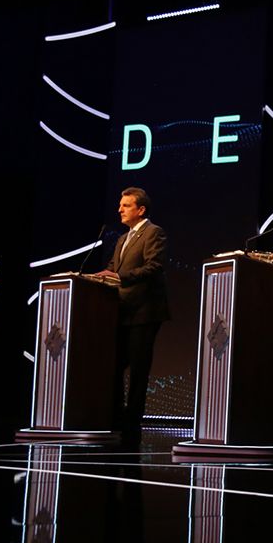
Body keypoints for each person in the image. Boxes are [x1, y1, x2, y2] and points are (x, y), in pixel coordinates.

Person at [97, 187, 170, 446]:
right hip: (122, 310)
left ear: (141, 210)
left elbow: (154, 266)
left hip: (144, 310)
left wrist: (121, 277)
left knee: (139, 368)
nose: (120, 209)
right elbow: (112, 268)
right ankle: (115, 416)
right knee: (115, 365)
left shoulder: (154, 232)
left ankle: (132, 420)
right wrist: (98, 276)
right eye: (120, 205)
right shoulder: (122, 238)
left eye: (126, 205)